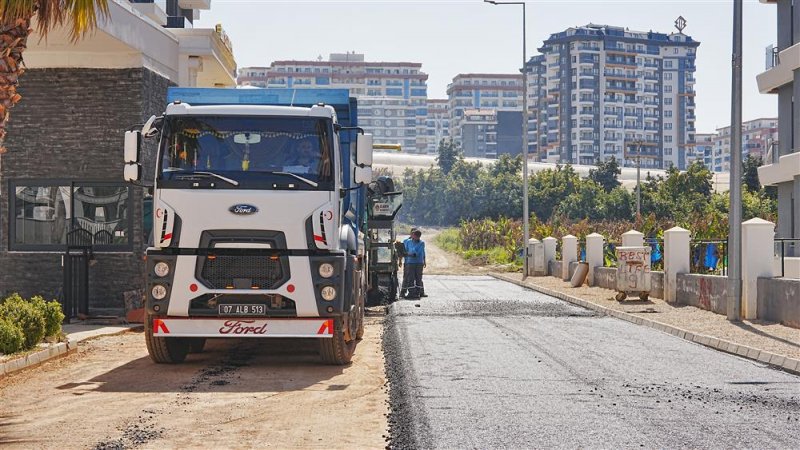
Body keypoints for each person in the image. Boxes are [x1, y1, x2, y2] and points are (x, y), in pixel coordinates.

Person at [400, 228, 427, 299]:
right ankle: (411, 293)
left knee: (418, 278)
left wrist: (409, 254)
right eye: (413, 235)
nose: (413, 236)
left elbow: (417, 253)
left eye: (414, 235)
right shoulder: (407, 241)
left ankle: (418, 292)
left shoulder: (421, 243)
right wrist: (407, 254)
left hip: (418, 263)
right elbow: (404, 251)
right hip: (410, 262)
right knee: (410, 278)